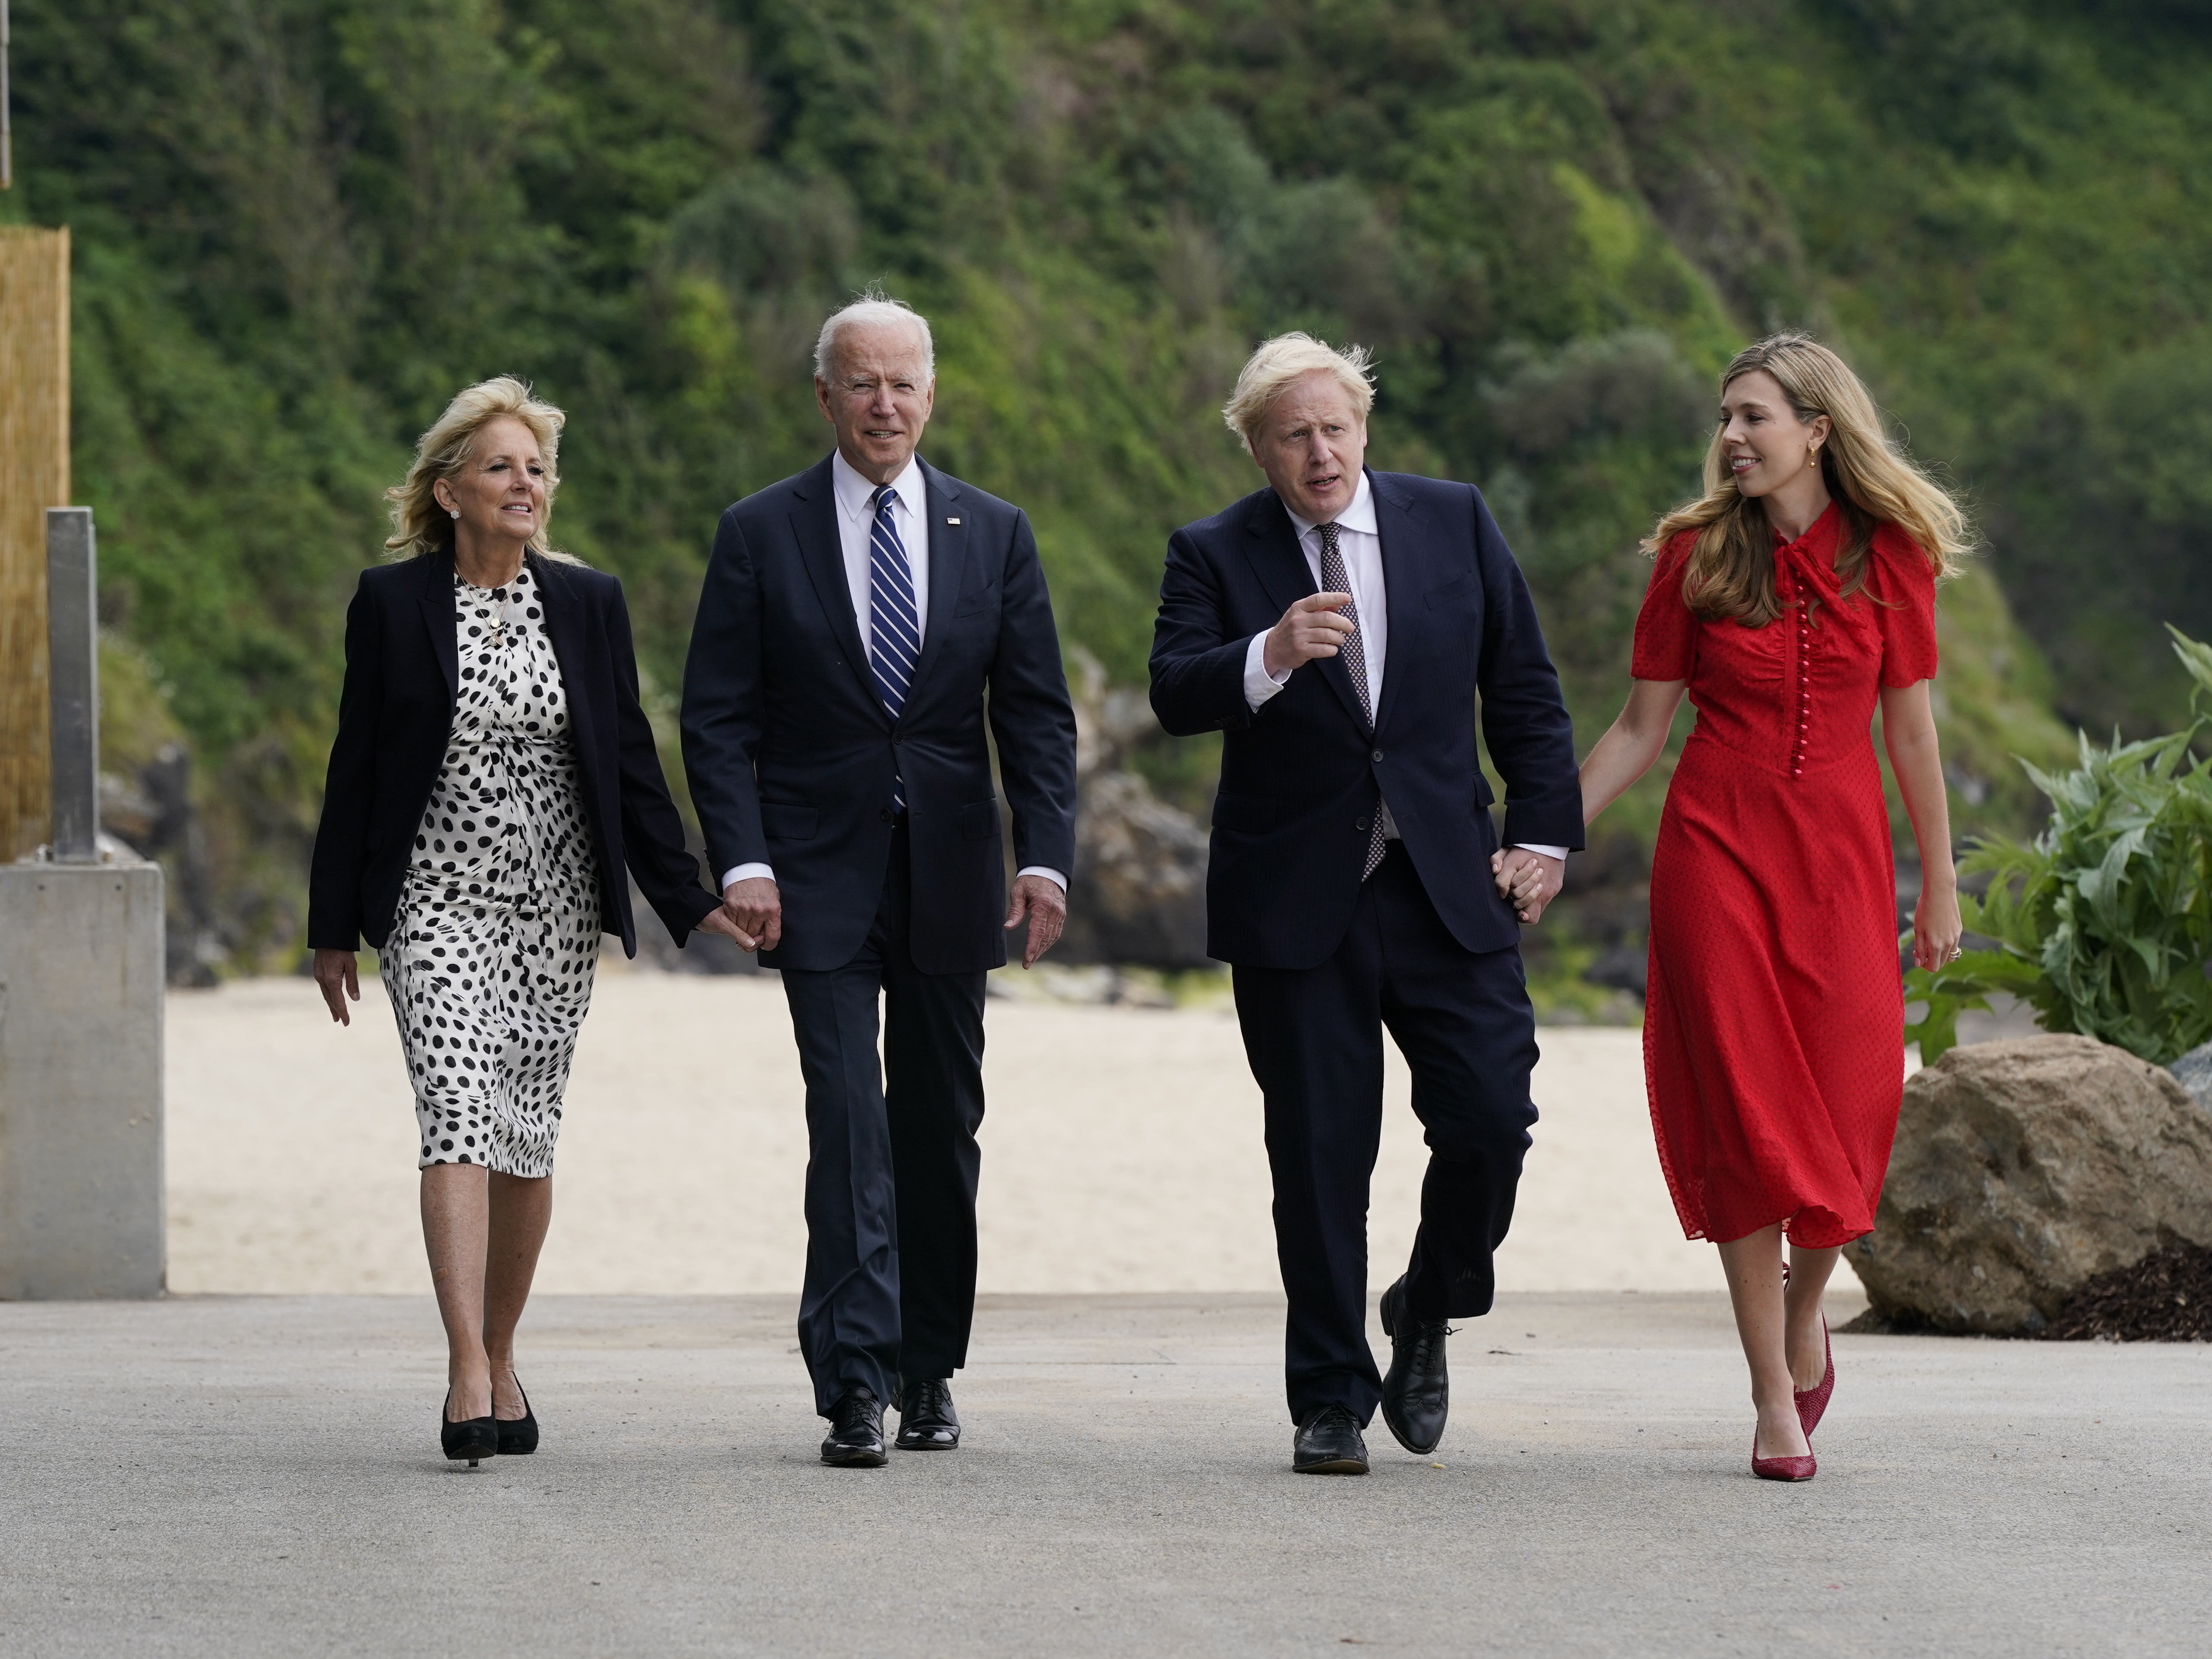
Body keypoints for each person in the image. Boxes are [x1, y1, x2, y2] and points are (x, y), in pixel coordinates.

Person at [1149, 334, 1583, 1475]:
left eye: (1334, 426)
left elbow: (1525, 689)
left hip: (1450, 886)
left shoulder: (1454, 520)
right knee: (1320, 1156)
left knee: (1493, 1119)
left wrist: (1541, 835)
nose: (1319, 451)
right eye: (1292, 434)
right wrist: (1268, 652)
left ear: (1365, 428)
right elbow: (1174, 690)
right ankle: (1331, 1401)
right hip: (1296, 899)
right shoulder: (1213, 551)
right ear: (1259, 448)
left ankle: (1430, 1300)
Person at [307, 377, 741, 1465]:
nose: (526, 485)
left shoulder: (587, 604)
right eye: (501, 467)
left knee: (526, 1135)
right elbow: (354, 768)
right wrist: (332, 928)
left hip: (554, 909)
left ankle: (505, 1353)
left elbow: (631, 766)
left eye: (537, 468)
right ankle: (464, 1374)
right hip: (435, 900)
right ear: (449, 490)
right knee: (458, 1111)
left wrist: (690, 897)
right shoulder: (392, 602)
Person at [680, 293, 1078, 1467]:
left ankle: (927, 1365)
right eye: (862, 382)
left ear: (932, 394)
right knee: (848, 1120)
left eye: (904, 382)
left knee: (940, 1126)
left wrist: (1045, 855)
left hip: (957, 873)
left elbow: (1038, 718)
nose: (885, 403)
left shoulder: (991, 532)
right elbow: (717, 717)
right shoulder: (761, 532)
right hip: (812, 879)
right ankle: (854, 1380)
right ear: (825, 398)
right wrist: (742, 858)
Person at [1574, 333, 1964, 1482]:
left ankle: (1808, 1315)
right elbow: (1640, 732)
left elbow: (1911, 733)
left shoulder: (1893, 556)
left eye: (1756, 417)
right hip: (1715, 857)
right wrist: (1545, 835)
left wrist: (1938, 882)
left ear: (1817, 431)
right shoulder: (1694, 555)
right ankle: (1768, 1397)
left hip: (1842, 867)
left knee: (1853, 1121)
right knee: (1745, 1122)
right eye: (1727, 417)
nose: (1733, 437)